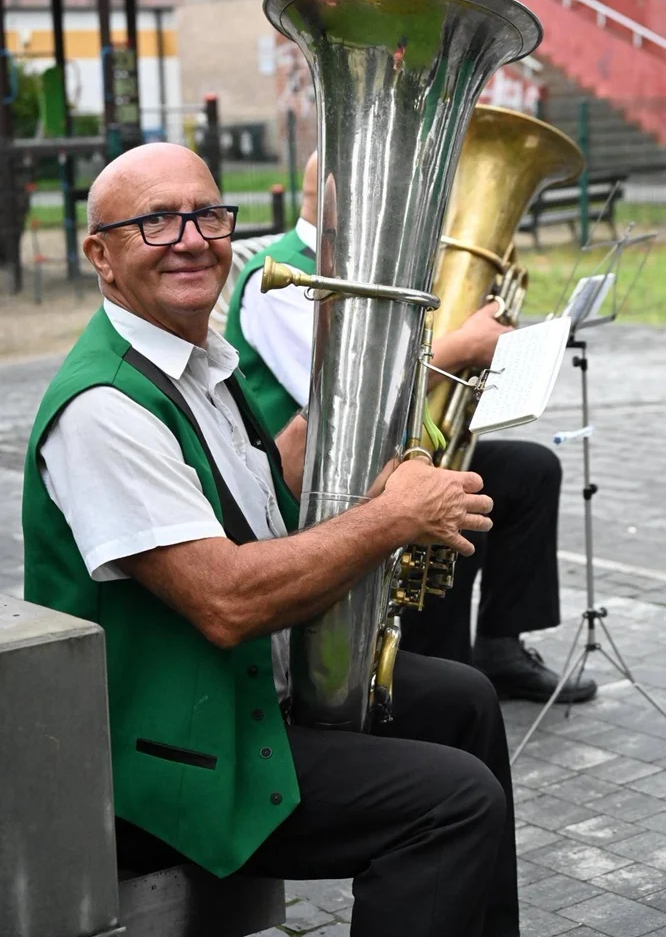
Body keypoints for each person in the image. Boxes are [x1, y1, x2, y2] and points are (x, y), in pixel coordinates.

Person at [24, 142, 519, 937]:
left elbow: (270, 484)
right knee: (452, 802)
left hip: (240, 699)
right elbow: (224, 601)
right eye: (155, 221)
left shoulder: (195, 365)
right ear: (100, 254)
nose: (190, 238)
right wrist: (391, 518)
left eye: (207, 215)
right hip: (172, 763)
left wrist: (375, 376)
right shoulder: (103, 410)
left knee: (465, 702)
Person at [225, 151, 597, 705]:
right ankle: (436, 674)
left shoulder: (368, 267)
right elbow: (343, 396)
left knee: (528, 470)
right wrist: (463, 344)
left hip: (389, 455)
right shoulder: (279, 278)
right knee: (446, 500)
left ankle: (500, 649)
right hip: (319, 480)